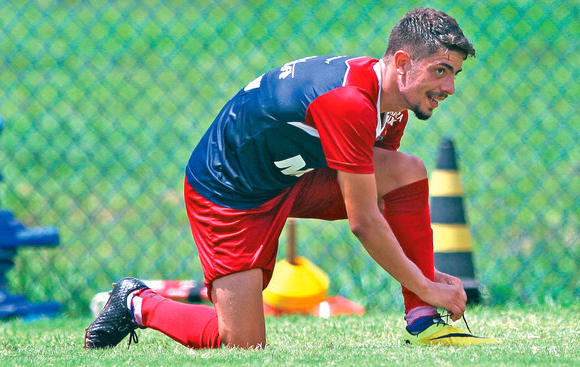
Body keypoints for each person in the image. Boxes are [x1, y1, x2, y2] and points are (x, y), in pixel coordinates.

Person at [84, 7, 496, 349]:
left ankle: (424, 321)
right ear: (403, 63)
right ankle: (137, 301)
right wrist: (424, 281)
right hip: (230, 191)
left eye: (454, 74)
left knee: (405, 171)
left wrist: (423, 279)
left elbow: (381, 192)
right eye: (441, 70)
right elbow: (364, 220)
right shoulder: (351, 102)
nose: (450, 87)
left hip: (292, 178)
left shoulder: (392, 107)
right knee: (240, 345)